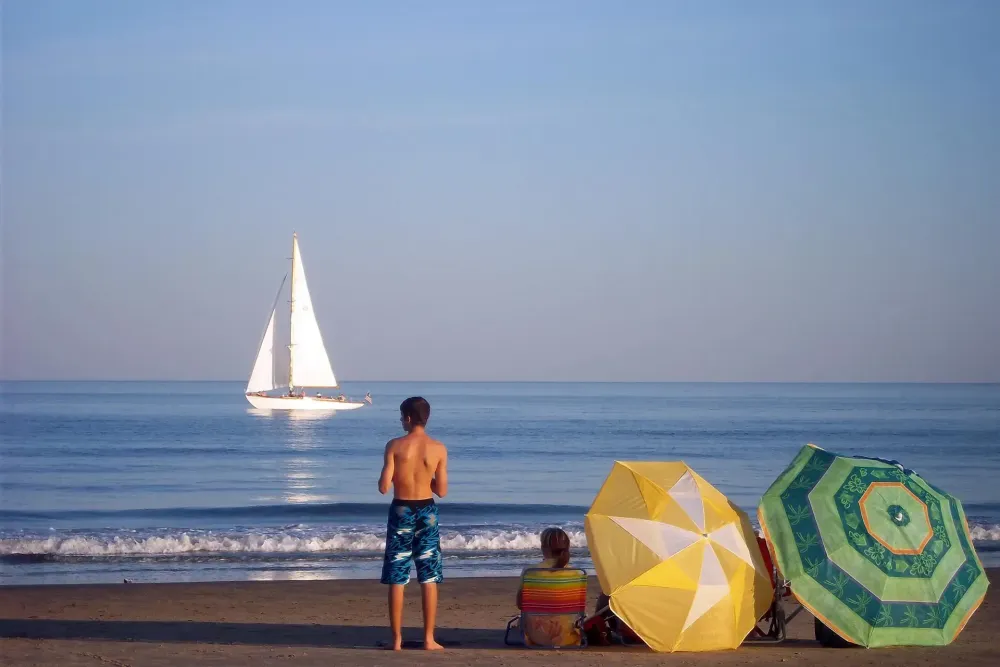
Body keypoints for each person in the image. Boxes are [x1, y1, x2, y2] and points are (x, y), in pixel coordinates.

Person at [378, 396, 448, 651]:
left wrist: (399, 474)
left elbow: (384, 487)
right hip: (427, 510)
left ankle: (396, 640)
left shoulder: (395, 445)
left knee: (398, 575)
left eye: (401, 417)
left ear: (407, 418)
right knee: (428, 575)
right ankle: (429, 639)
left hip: (401, 510)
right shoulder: (438, 448)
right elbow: (442, 490)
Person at [515, 527, 582, 647]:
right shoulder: (577, 573)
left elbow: (520, 604)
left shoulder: (530, 572)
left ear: (543, 548)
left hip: (536, 636)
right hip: (566, 636)